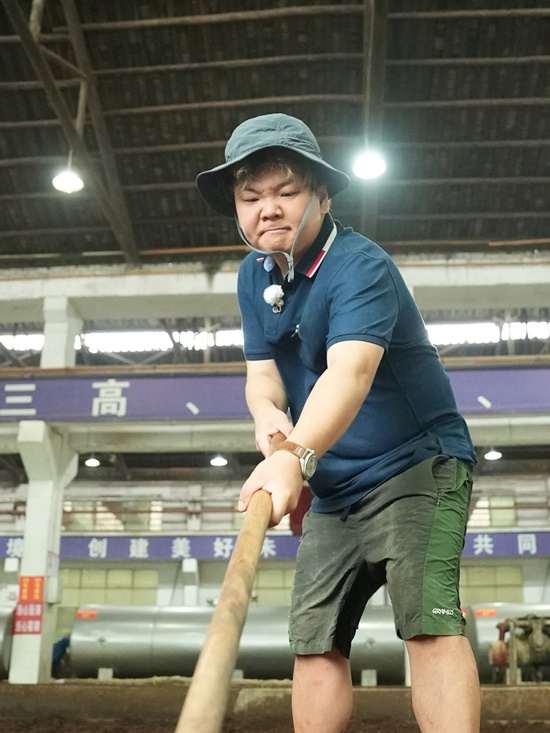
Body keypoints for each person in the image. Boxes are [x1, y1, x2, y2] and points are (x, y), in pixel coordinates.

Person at [196, 113, 481, 733]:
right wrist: (270, 427)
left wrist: (294, 456)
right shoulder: (253, 276)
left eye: (286, 191)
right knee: (314, 642)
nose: (268, 209)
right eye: (251, 197)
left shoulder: (359, 265)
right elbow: (263, 377)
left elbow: (349, 373)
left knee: (428, 624)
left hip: (417, 467)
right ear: (238, 211)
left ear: (322, 195)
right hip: (334, 487)